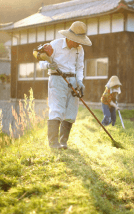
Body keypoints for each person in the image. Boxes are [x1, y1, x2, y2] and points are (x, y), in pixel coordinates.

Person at [39, 21, 92, 149]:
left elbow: (80, 67)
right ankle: (53, 143)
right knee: (57, 109)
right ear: (69, 37)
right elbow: (41, 62)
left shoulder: (80, 49)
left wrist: (80, 81)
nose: (79, 43)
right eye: (77, 40)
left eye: (80, 40)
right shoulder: (55, 45)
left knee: (71, 112)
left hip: (72, 81)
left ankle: (63, 142)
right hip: (57, 79)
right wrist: (49, 65)